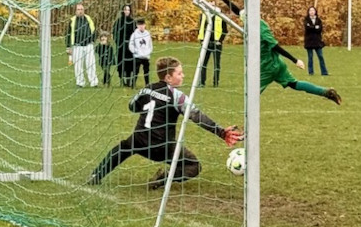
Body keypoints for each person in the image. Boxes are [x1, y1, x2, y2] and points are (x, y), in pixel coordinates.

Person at [87, 56, 244, 189]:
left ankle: (96, 174)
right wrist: (221, 132)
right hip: (163, 147)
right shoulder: (177, 96)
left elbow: (132, 106)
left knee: (121, 148)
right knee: (194, 166)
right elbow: (197, 117)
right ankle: (163, 178)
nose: (183, 76)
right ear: (168, 78)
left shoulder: (146, 89)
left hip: (139, 141)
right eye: (179, 73)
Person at [213, 0, 341, 105]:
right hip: (277, 64)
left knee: (250, 95)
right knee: (293, 83)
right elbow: (238, 11)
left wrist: (295, 60)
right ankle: (325, 92)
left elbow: (275, 46)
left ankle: (244, 127)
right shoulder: (250, 19)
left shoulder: (260, 28)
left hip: (267, 67)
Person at [67, 3, 99, 88]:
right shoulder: (72, 20)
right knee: (78, 65)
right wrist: (68, 47)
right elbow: (68, 34)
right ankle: (80, 82)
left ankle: (94, 82)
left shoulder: (88, 19)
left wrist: (93, 40)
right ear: (75, 11)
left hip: (88, 45)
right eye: (78, 9)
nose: (80, 11)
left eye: (81, 9)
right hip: (77, 46)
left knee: (91, 64)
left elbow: (94, 30)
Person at [197, 8, 228, 87]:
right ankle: (202, 82)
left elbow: (225, 30)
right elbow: (200, 28)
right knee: (203, 63)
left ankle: (216, 83)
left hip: (216, 44)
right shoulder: (203, 15)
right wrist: (201, 40)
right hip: (205, 43)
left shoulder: (221, 16)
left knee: (216, 64)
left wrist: (220, 40)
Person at [112, 4, 135, 86]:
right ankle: (122, 80)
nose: (126, 11)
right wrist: (118, 41)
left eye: (128, 10)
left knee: (129, 63)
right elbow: (114, 33)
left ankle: (129, 80)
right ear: (123, 11)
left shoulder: (132, 22)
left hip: (130, 46)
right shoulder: (118, 22)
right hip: (121, 46)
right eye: (125, 10)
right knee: (121, 63)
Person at [303, 6, 329, 75]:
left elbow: (319, 29)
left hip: (317, 42)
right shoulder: (306, 20)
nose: (312, 12)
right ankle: (311, 72)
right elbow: (308, 28)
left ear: (315, 12)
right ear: (308, 12)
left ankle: (324, 72)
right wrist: (314, 27)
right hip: (309, 42)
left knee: (321, 56)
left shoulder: (318, 20)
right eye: (310, 10)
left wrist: (312, 28)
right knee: (310, 57)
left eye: (313, 10)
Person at [128, 17, 153, 85]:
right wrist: (135, 51)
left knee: (146, 71)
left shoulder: (147, 34)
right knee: (136, 71)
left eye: (142, 25)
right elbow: (131, 44)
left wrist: (148, 52)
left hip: (146, 56)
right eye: (139, 25)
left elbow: (150, 44)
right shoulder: (134, 34)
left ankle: (147, 84)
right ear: (137, 25)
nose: (141, 26)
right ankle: (133, 84)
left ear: (145, 25)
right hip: (137, 56)